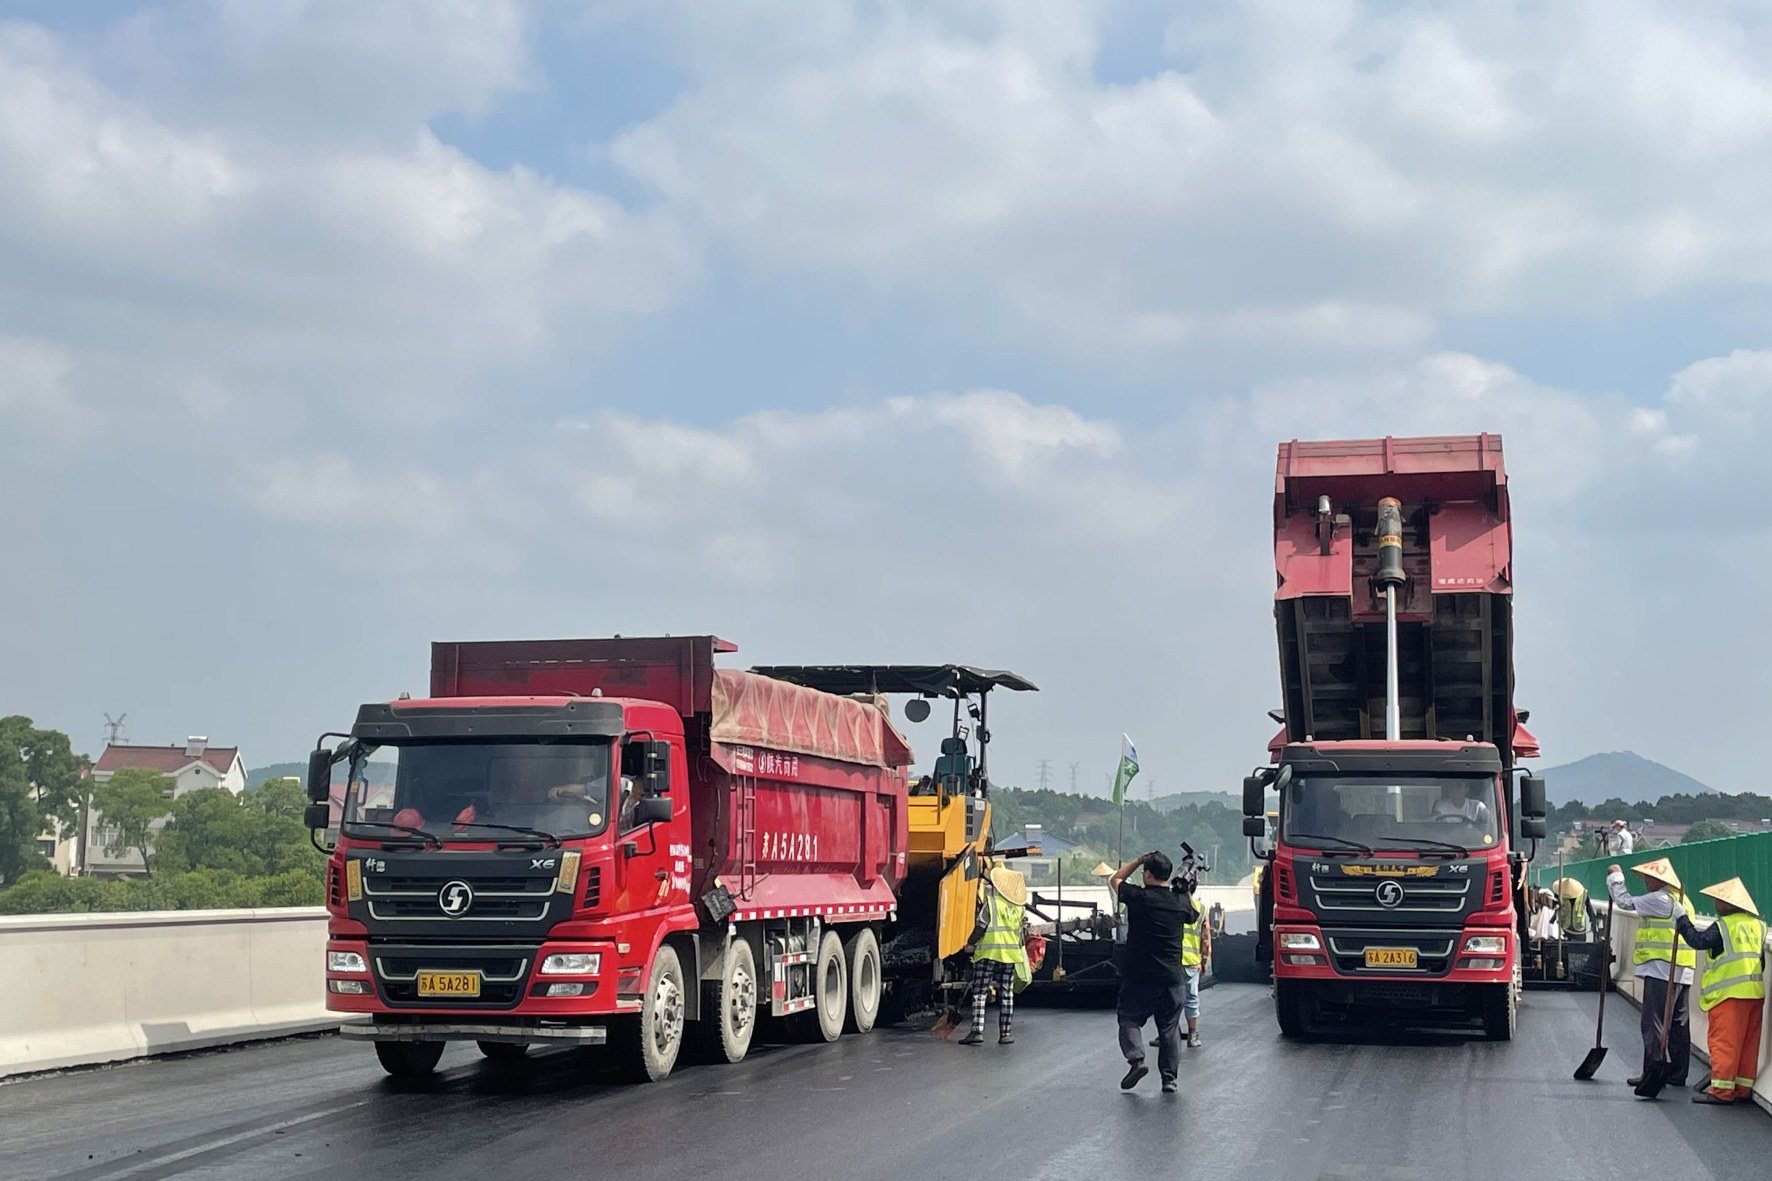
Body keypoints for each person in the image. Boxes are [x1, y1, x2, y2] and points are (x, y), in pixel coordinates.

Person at [1109, 850, 1197, 1094]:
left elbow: (1115, 880)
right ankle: (1169, 1079)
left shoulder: (1140, 897)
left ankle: (1137, 1060)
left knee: (1129, 1019)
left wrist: (1137, 859)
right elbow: (1191, 914)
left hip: (1140, 976)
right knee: (1169, 1029)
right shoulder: (1179, 901)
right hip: (1172, 978)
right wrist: (1187, 889)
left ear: (1147, 874)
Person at [1608, 857, 1697, 1093]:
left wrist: (1615, 877)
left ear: (1660, 880)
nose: (1646, 882)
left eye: (1649, 878)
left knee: (1654, 1022)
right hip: (1682, 969)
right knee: (1678, 1024)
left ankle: (1652, 1071)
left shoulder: (1659, 899)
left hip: (1662, 968)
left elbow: (1624, 902)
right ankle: (1677, 1072)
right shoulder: (1682, 899)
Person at [1676, 877, 1766, 1106]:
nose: (1716, 905)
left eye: (1719, 900)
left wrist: (1682, 920)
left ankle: (1722, 1091)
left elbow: (1698, 941)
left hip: (1728, 994)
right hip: (1754, 993)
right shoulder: (1759, 926)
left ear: (1729, 904)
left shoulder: (1723, 926)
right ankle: (1742, 1088)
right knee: (1748, 1043)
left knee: (1725, 1043)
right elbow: (1761, 962)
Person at [961, 866, 1029, 1047]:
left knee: (980, 992)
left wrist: (970, 943)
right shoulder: (1019, 908)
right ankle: (1005, 1033)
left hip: (988, 953)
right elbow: (1021, 934)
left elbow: (980, 927)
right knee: (1006, 994)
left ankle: (977, 1031)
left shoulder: (991, 903)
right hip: (1010, 956)